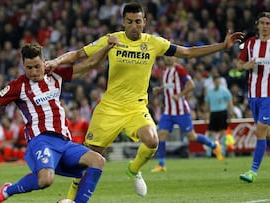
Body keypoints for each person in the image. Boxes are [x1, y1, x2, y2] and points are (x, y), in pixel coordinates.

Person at [47, 2, 244, 197]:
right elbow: (78, 54)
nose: (134, 26)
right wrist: (55, 61)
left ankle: (133, 169)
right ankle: (71, 199)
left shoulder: (154, 43)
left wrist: (222, 46)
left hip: (136, 108)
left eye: (138, 21)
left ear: (145, 22)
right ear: (123, 22)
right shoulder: (111, 40)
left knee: (152, 140)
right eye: (130, 21)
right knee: (88, 159)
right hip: (109, 108)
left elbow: (188, 52)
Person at [0, 41, 116, 203]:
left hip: (64, 141)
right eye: (28, 68)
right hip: (41, 140)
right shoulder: (18, 86)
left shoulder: (55, 75)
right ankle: (8, 190)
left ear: (44, 62)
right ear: (23, 66)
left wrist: (107, 48)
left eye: (37, 66)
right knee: (46, 180)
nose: (33, 72)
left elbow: (89, 64)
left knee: (98, 160)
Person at [151, 56, 223, 173]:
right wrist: (160, 89)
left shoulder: (179, 69)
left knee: (192, 136)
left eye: (171, 56)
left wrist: (179, 95)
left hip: (181, 111)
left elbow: (191, 85)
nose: (168, 59)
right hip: (168, 111)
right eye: (166, 57)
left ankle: (214, 146)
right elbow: (169, 86)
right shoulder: (164, 70)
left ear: (174, 58)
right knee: (161, 135)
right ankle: (161, 164)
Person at [238, 12, 270, 183]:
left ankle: (253, 171)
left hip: (268, 95)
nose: (265, 26)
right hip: (253, 95)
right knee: (266, 133)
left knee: (259, 131)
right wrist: (245, 66)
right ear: (257, 25)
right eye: (263, 23)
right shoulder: (250, 44)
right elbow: (237, 64)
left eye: (268, 23)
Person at [204, 75, 233, 157]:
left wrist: (231, 113)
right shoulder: (209, 92)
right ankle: (209, 152)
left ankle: (223, 151)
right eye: (216, 81)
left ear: (220, 81)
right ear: (213, 82)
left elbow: (230, 102)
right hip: (213, 113)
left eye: (218, 81)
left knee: (223, 132)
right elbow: (207, 104)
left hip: (222, 112)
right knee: (210, 133)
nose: (217, 82)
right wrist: (206, 115)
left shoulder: (224, 91)